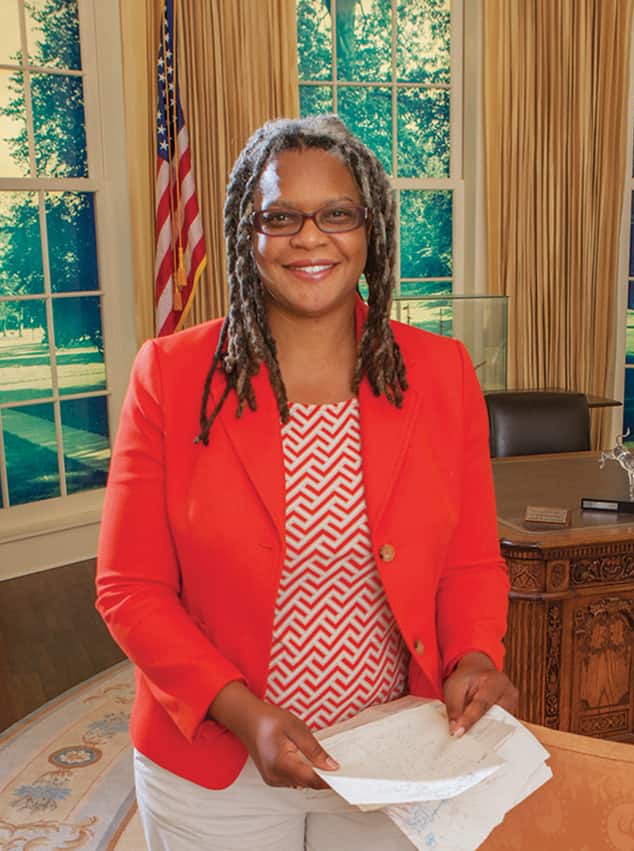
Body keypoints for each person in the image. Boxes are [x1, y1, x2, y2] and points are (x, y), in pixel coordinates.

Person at [96, 114, 516, 850]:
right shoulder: (169, 375)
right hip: (214, 768)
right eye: (281, 216)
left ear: (371, 229)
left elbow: (471, 560)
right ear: (245, 231)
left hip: (392, 755)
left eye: (338, 214)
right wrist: (244, 714)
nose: (311, 237)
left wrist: (476, 656)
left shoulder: (441, 374)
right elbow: (130, 588)